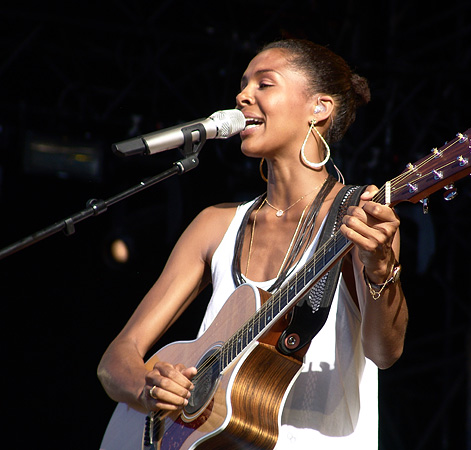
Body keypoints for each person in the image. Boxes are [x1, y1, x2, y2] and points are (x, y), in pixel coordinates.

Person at [98, 38, 408, 449]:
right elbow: (116, 359)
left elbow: (384, 353)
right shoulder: (215, 224)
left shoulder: (360, 215)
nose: (243, 95)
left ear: (319, 107)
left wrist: (381, 270)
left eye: (265, 84)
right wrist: (148, 388)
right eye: (244, 85)